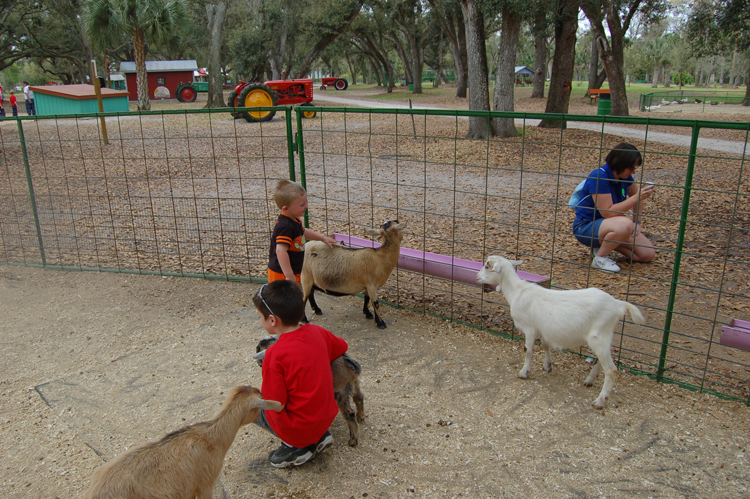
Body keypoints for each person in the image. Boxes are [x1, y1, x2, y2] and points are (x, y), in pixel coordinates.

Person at [251, 279, 348, 467]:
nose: (259, 320)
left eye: (259, 316)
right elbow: (342, 346)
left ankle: (295, 446)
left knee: (252, 407)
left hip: (299, 429)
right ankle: (319, 436)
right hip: (326, 417)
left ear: (272, 320)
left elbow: (276, 404)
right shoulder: (318, 332)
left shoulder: (274, 355)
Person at [572, 143, 655, 272]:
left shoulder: (625, 177)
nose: (633, 172)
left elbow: (637, 197)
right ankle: (600, 258)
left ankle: (603, 245)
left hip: (612, 226)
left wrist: (637, 221)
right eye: (631, 168)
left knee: (646, 254)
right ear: (620, 164)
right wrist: (636, 197)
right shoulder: (599, 176)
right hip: (586, 226)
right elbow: (607, 212)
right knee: (626, 224)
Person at [268, 179, 336, 283]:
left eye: (306, 202)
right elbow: (280, 250)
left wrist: (322, 238)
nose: (306, 206)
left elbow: (303, 232)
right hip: (281, 274)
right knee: (284, 298)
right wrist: (289, 276)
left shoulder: (293, 220)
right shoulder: (286, 226)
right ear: (286, 208)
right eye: (302, 205)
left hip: (292, 271)